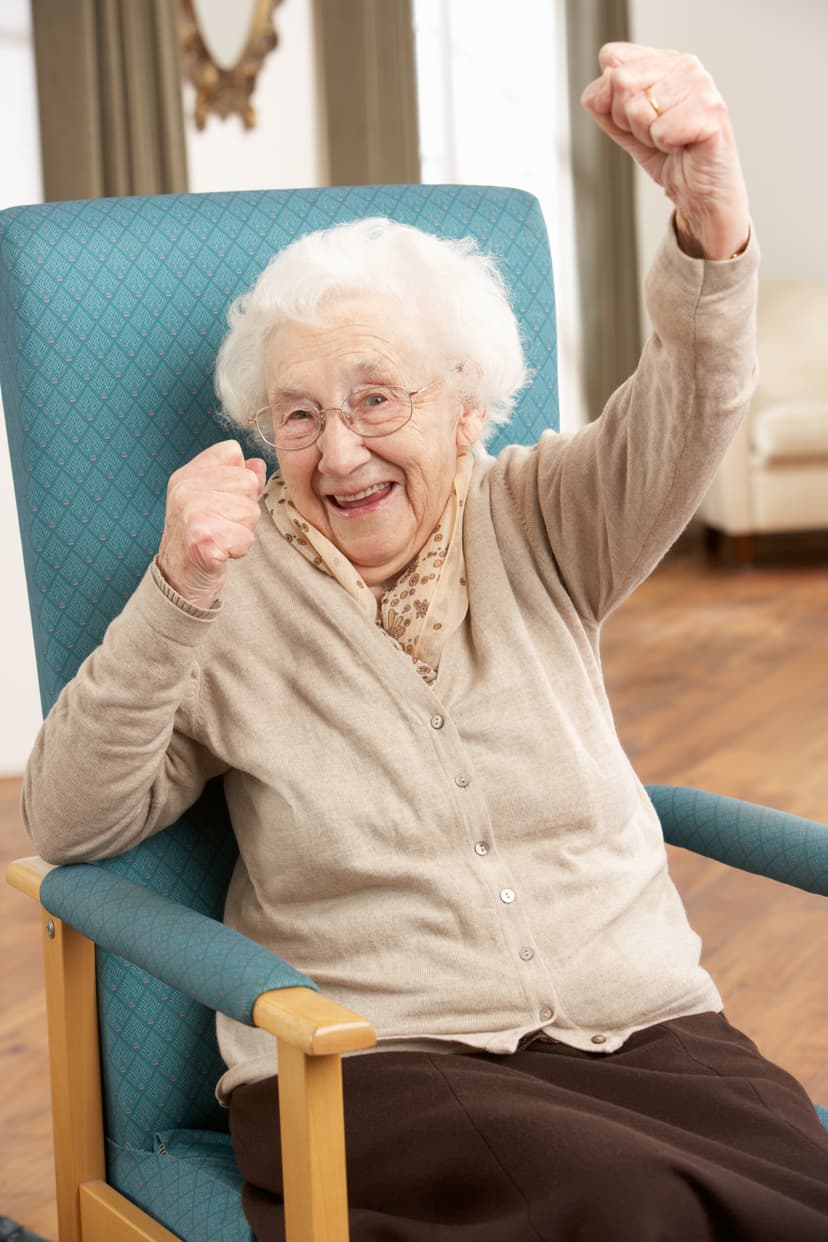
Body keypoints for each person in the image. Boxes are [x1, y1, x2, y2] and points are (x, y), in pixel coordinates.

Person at [21, 42, 828, 1242]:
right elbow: (69, 822)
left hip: (650, 1032)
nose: (339, 451)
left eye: (376, 400)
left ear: (467, 404)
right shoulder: (226, 600)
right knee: (627, 1207)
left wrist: (710, 211)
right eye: (299, 416)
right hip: (381, 1064)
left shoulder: (548, 515)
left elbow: (691, 407)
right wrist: (176, 586)